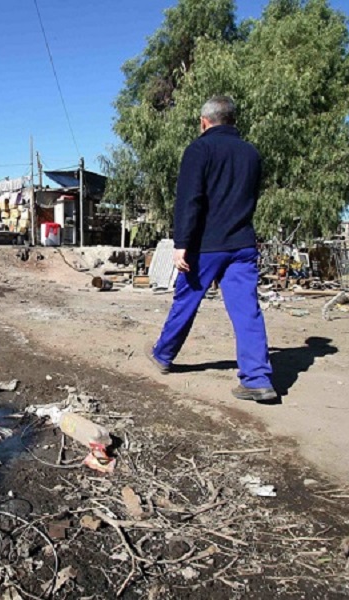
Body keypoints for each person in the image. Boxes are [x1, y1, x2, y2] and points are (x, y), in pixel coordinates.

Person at [146, 95, 276, 402]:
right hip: (242, 243)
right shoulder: (251, 153)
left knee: (186, 301)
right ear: (232, 120)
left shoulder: (199, 148)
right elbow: (250, 198)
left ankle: (163, 355)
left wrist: (181, 244)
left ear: (204, 122)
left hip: (205, 246)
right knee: (247, 311)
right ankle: (257, 378)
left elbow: (189, 199)